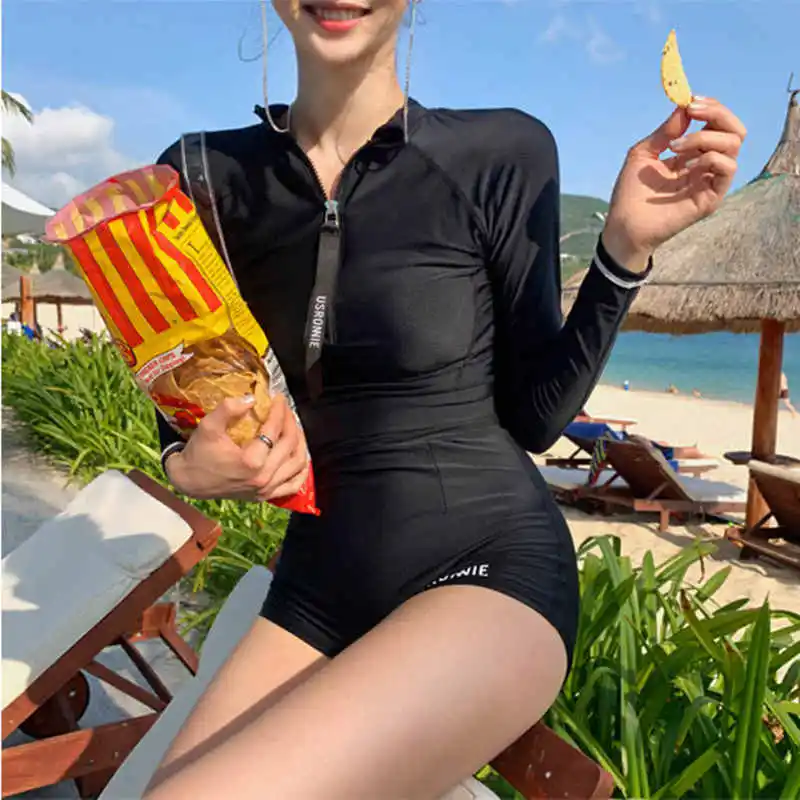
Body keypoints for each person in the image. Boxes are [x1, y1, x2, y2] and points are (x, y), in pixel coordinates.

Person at [144, 2, 746, 797]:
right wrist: (189, 466)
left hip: (489, 572)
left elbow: (535, 415)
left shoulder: (500, 152)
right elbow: (178, 399)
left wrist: (623, 251)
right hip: (318, 586)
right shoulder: (197, 178)